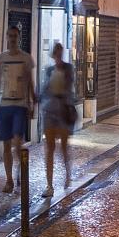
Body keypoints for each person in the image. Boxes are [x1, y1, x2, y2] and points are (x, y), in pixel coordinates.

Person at [0, 26, 35, 193]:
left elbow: (30, 82)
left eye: (15, 36)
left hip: (20, 105)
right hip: (4, 105)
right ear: (6, 37)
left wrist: (32, 102)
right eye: (10, 36)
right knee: (5, 145)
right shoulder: (0, 58)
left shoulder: (26, 58)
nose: (12, 39)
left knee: (17, 141)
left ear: (19, 38)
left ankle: (20, 169)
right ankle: (9, 179)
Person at [39, 41, 77, 195]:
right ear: (53, 54)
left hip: (63, 112)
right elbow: (44, 89)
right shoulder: (48, 70)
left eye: (60, 52)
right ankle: (49, 185)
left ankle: (68, 176)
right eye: (57, 52)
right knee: (49, 149)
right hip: (50, 112)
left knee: (64, 148)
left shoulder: (68, 68)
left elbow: (69, 87)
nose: (59, 55)